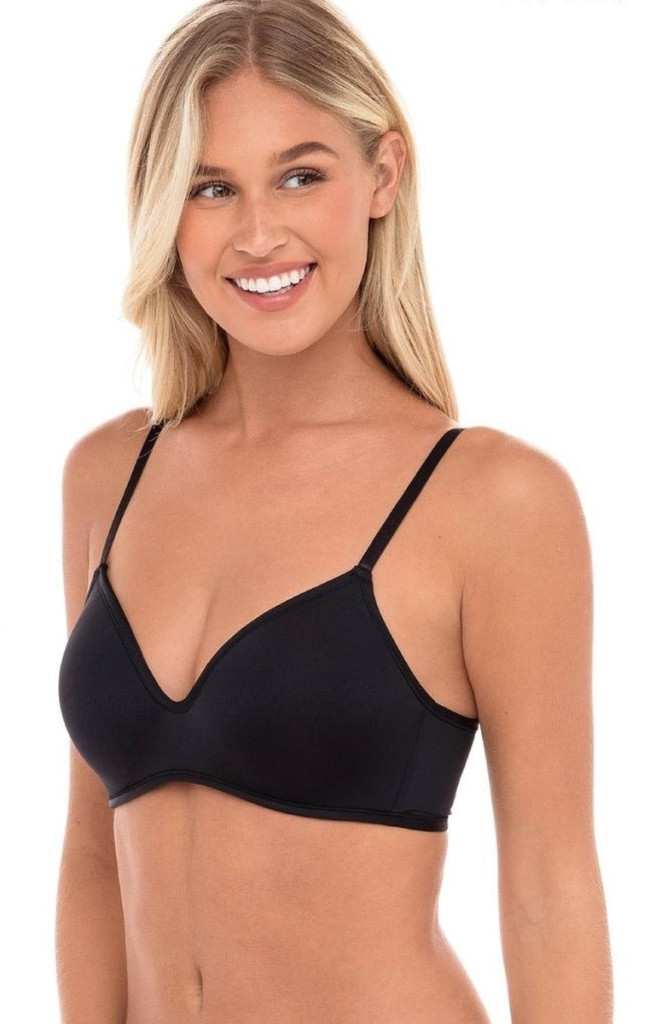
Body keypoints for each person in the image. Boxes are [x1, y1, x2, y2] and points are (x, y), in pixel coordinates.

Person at [55, 1, 613, 1021]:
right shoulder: (108, 475)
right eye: (210, 187)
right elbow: (92, 856)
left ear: (382, 176)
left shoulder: (492, 502)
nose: (257, 232)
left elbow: (548, 893)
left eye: (300, 175)